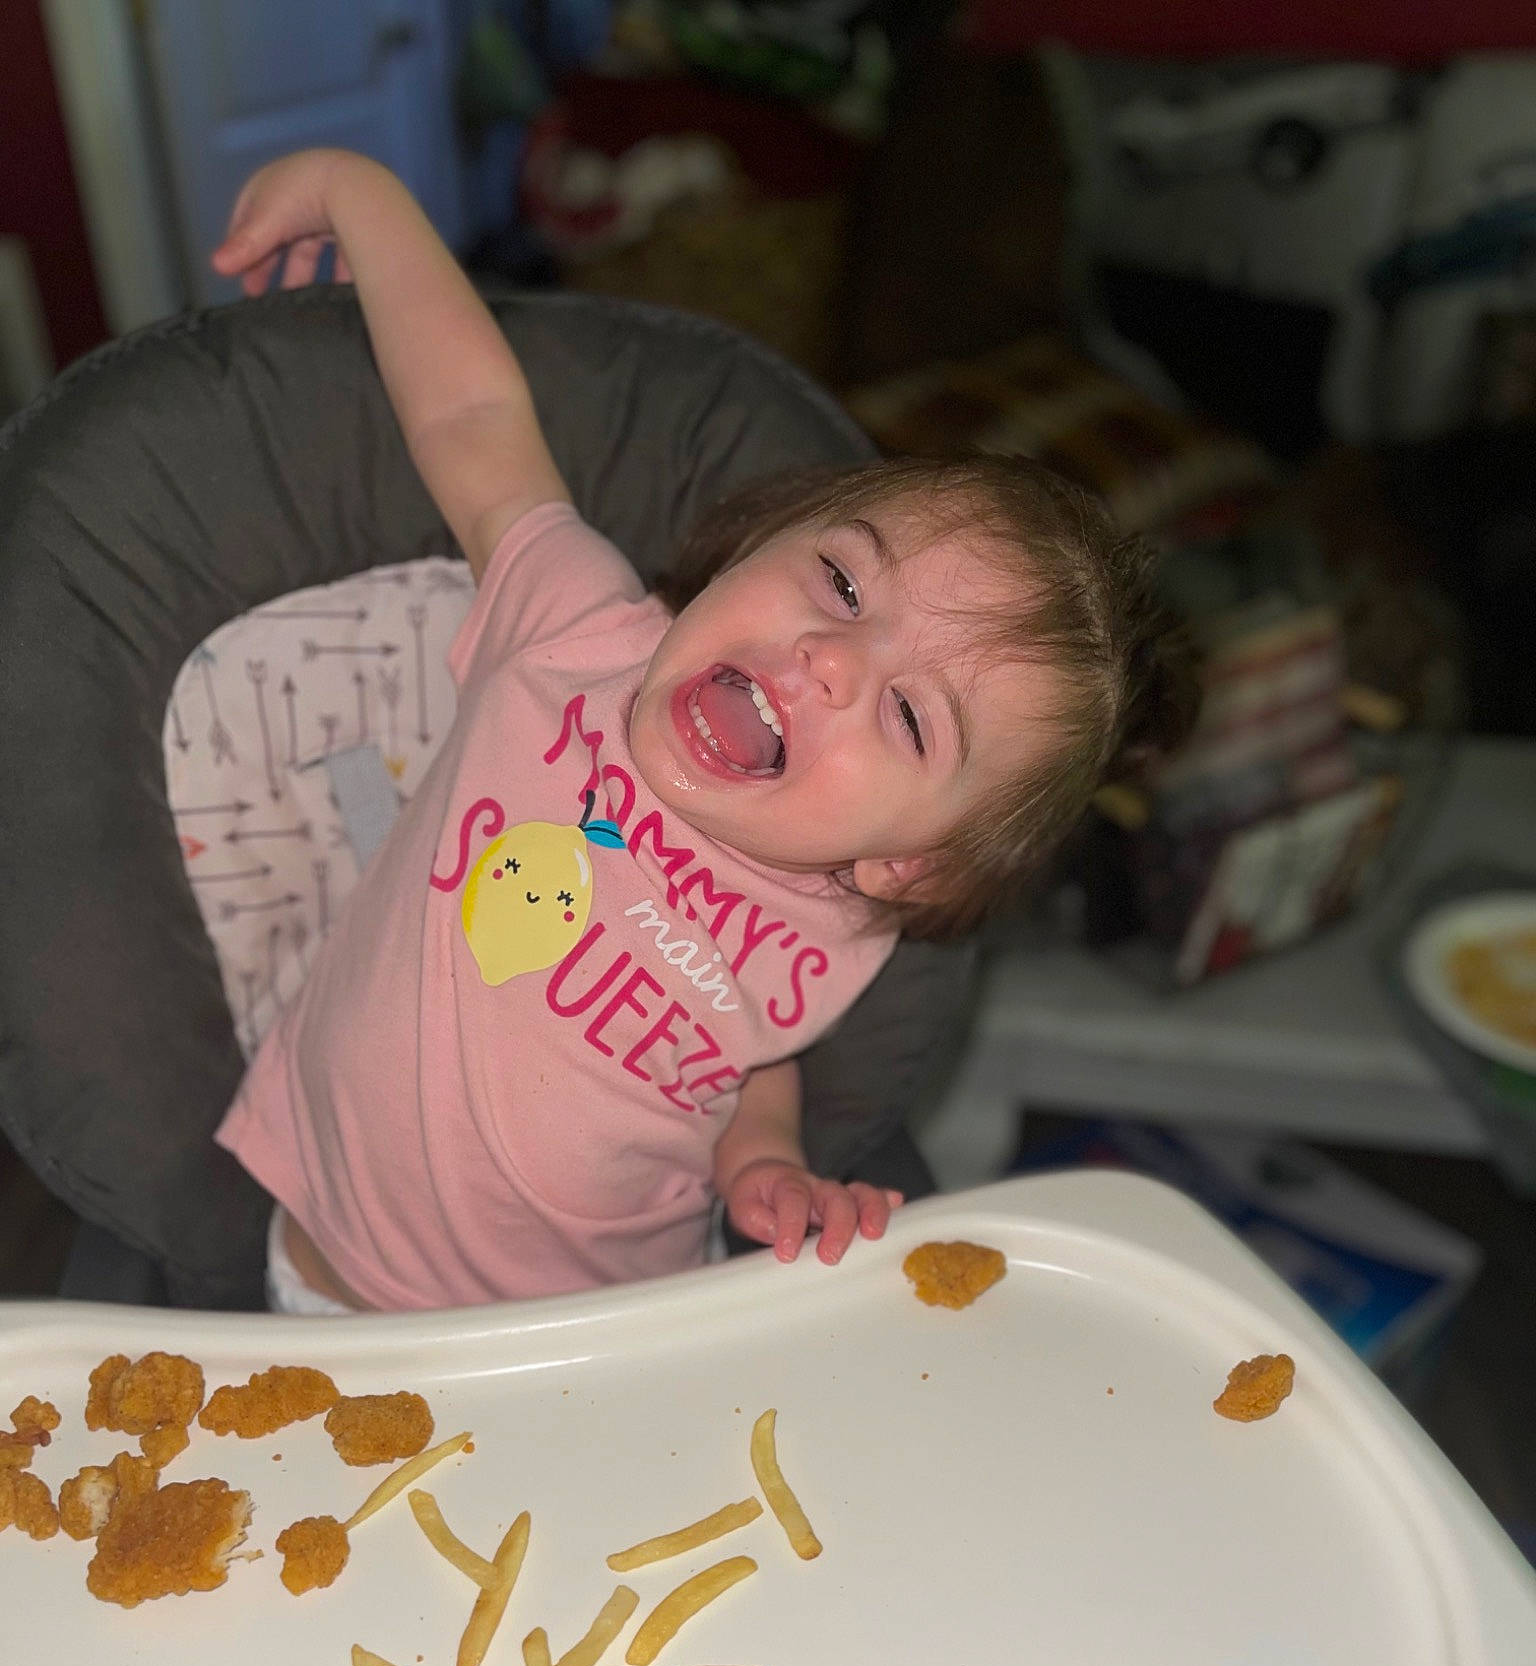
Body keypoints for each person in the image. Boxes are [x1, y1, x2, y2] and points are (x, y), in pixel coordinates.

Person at [209, 150, 1194, 1315]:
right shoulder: (574, 631)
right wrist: (363, 196)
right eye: (839, 581)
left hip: (612, 1329)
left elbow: (746, 1062)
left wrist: (764, 1167)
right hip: (337, 1279)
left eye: (909, 714)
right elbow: (472, 414)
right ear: (752, 549)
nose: (833, 658)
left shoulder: (837, 918)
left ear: (905, 861)